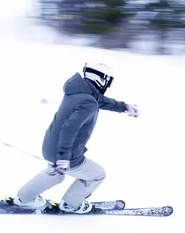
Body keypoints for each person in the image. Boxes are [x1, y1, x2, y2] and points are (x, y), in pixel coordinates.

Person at [10, 61, 139, 213]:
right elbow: (69, 128)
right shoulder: (88, 101)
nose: (108, 85)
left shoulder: (78, 91)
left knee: (55, 175)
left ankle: (24, 198)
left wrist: (124, 107)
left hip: (50, 146)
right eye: (108, 81)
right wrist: (63, 157)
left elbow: (100, 101)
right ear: (100, 78)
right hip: (67, 153)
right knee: (97, 175)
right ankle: (71, 204)